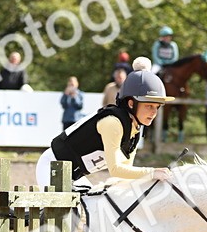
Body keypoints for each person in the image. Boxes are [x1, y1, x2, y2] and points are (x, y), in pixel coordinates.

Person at [36, 57, 173, 187]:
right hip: (52, 167)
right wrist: (152, 173)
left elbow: (126, 174)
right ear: (131, 103)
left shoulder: (135, 130)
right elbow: (115, 170)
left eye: (157, 107)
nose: (154, 112)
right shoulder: (112, 123)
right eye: (149, 106)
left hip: (74, 175)